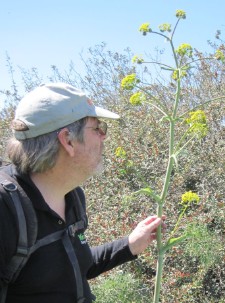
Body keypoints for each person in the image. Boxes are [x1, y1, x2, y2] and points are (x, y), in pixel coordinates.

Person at [0, 83, 163, 303]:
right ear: (68, 140)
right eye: (97, 129)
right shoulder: (5, 209)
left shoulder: (72, 195)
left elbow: (72, 269)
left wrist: (129, 245)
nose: (103, 137)